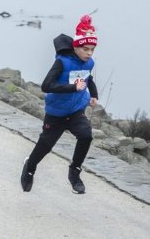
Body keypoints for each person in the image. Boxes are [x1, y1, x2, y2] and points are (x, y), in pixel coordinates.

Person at [20, 14, 99, 195]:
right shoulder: (62, 62)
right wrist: (73, 87)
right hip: (57, 112)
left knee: (86, 135)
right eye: (85, 49)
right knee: (46, 146)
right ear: (76, 47)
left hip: (76, 109)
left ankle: (75, 173)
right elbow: (47, 85)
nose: (89, 53)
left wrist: (93, 94)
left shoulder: (89, 62)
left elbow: (89, 78)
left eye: (92, 49)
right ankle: (30, 167)